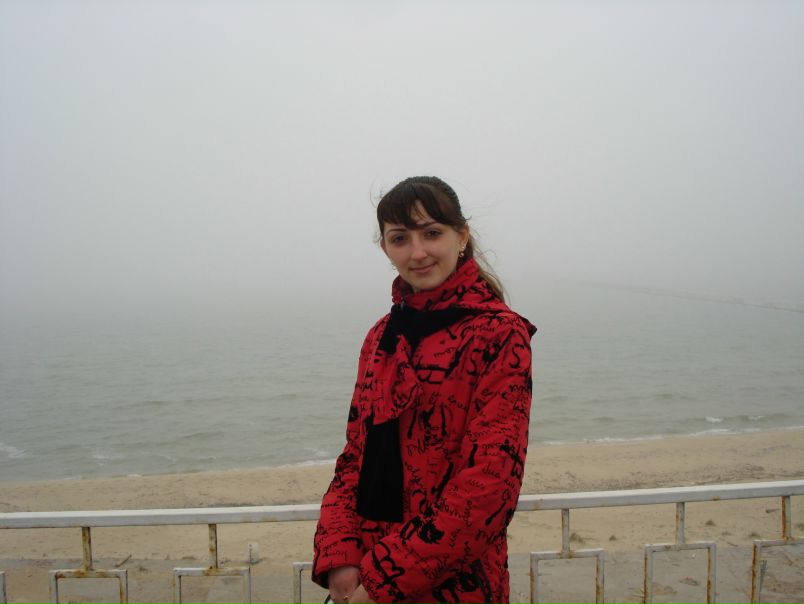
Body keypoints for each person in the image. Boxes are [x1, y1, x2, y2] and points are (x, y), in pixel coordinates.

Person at [312, 176, 536, 604]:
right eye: (400, 238)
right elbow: (355, 456)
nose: (417, 252)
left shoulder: (498, 333)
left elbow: (489, 486)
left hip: (455, 582)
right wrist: (340, 555)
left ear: (461, 236)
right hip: (364, 569)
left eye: (432, 233)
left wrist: (381, 582)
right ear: (385, 248)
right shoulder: (381, 336)